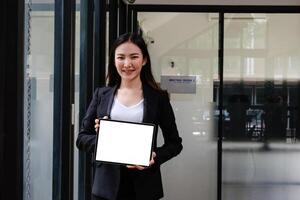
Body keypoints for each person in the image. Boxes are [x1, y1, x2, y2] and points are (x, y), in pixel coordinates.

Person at [76, 32, 183, 200]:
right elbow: (82, 138)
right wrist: (105, 139)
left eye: (134, 57)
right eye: (121, 57)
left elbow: (175, 143)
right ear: (114, 60)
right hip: (106, 188)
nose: (127, 64)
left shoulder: (158, 98)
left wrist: (154, 156)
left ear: (144, 60)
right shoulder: (101, 95)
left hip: (144, 188)